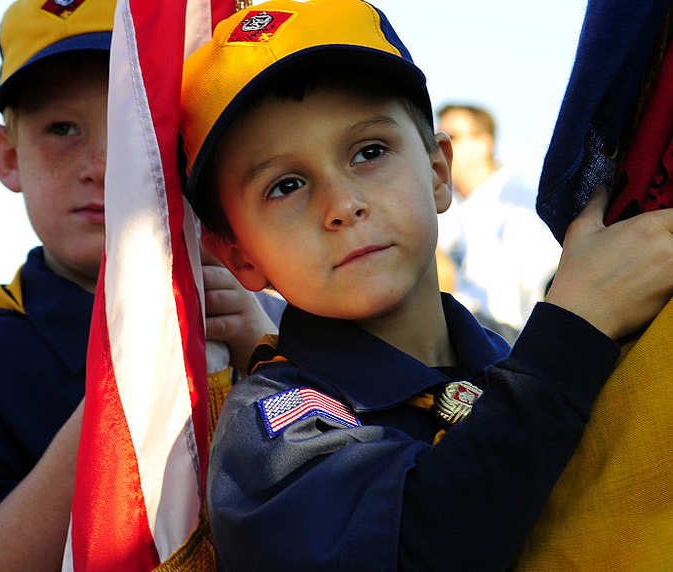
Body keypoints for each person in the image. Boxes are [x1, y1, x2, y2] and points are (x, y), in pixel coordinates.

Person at [177, 1, 673, 569]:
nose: (342, 205)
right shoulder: (271, 427)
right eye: (286, 185)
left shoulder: (505, 358)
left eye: (369, 152)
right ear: (239, 254)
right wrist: (577, 327)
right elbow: (423, 545)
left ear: (439, 174)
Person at [0, 1, 275, 570]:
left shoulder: (273, 310)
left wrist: (270, 353)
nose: (102, 164)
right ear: (8, 157)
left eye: (136, 120)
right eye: (62, 129)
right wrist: (124, 385)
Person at [436, 103, 562, 334]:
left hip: (509, 338)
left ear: (485, 143)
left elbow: (550, 286)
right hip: (457, 330)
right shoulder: (439, 206)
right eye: (434, 142)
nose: (439, 150)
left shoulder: (521, 203)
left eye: (452, 137)